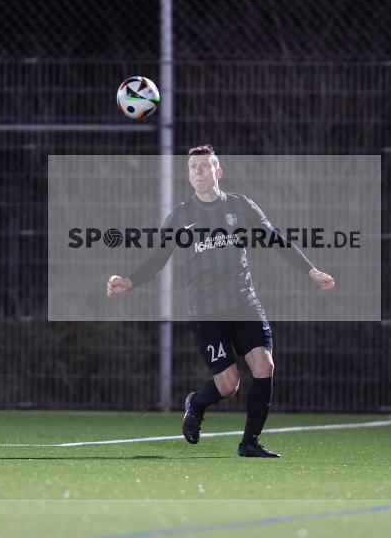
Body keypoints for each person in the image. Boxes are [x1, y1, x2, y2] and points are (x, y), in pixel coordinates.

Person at [106, 145, 335, 458]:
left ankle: (249, 444)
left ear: (218, 171)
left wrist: (311, 270)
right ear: (189, 176)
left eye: (204, 166)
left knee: (265, 365)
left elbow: (277, 240)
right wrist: (128, 281)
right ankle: (196, 403)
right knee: (228, 385)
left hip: (244, 303)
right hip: (206, 311)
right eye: (193, 168)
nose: (198, 172)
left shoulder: (240, 207)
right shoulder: (182, 216)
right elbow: (158, 258)